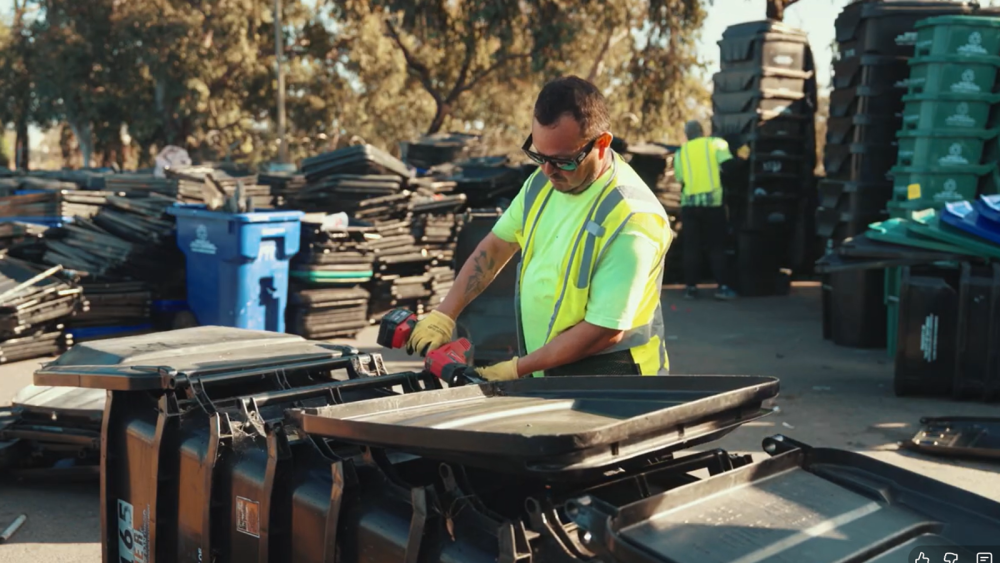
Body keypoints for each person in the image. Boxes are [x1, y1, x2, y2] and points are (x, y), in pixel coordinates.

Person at [402, 75, 673, 381]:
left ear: (602, 143)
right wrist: (444, 313)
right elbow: (496, 246)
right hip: (548, 365)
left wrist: (517, 369)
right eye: (539, 155)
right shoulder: (541, 185)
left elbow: (605, 329)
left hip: (614, 380)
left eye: (563, 160)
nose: (548, 170)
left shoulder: (632, 217)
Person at [674, 120, 738, 301]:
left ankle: (691, 288)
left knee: (691, 247)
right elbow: (729, 167)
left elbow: (680, 178)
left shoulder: (681, 152)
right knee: (716, 246)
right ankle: (722, 287)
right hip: (712, 205)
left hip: (689, 206)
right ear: (703, 132)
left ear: (687, 134)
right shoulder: (716, 144)